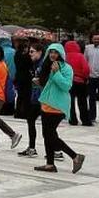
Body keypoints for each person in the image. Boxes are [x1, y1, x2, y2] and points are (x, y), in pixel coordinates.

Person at [34, 44, 86, 173]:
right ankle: (50, 164)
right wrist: (38, 82)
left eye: (56, 52)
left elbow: (66, 86)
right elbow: (47, 85)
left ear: (61, 54)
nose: (53, 55)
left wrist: (57, 73)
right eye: (51, 52)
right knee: (47, 135)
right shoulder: (46, 66)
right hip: (46, 104)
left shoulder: (66, 68)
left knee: (50, 135)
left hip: (58, 106)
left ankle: (75, 156)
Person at [17, 43, 46, 158]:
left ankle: (56, 150)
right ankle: (32, 147)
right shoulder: (35, 64)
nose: (30, 54)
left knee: (46, 126)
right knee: (31, 120)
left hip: (42, 98)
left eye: (32, 51)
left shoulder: (43, 64)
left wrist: (38, 81)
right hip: (36, 97)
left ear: (40, 52)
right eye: (29, 51)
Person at [64, 41, 92, 126]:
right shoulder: (80, 56)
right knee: (82, 101)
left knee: (70, 102)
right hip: (80, 81)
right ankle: (85, 120)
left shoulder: (65, 57)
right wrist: (86, 77)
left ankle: (73, 120)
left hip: (68, 82)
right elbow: (86, 69)